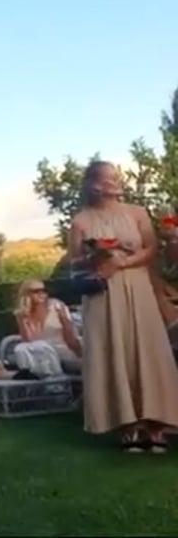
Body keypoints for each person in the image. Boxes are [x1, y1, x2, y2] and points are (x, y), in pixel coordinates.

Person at [69, 160, 178, 453]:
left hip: (138, 288)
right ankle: (126, 427)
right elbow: (74, 263)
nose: (114, 182)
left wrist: (123, 262)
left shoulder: (137, 213)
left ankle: (156, 427)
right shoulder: (81, 221)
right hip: (103, 294)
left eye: (116, 177)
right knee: (114, 352)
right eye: (108, 178)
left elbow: (151, 249)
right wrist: (94, 256)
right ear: (94, 184)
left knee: (148, 351)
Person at [10, 279, 81, 376]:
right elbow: (27, 342)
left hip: (63, 351)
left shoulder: (57, 306)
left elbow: (71, 337)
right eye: (36, 291)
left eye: (44, 290)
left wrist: (81, 354)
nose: (41, 294)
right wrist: (22, 321)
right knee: (21, 348)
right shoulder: (23, 315)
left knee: (41, 346)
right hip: (40, 355)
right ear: (27, 294)